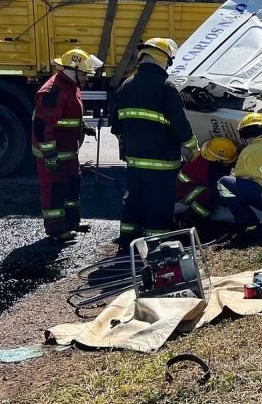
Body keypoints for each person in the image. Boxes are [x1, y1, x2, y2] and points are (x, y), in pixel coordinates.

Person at [110, 38, 200, 249]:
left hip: (134, 162)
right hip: (162, 163)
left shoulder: (126, 86)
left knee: (134, 202)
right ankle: (155, 246)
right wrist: (193, 148)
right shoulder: (166, 88)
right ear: (163, 59)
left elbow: (115, 126)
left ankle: (127, 244)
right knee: (159, 205)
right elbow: (180, 125)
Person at [32, 48, 103, 240]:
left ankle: (72, 223)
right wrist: (49, 155)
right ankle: (56, 230)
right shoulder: (52, 91)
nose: (87, 78)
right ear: (73, 70)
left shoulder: (71, 87)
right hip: (54, 155)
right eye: (85, 74)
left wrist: (83, 126)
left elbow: (68, 115)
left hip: (69, 151)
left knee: (72, 186)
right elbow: (42, 126)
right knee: (54, 190)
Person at [175, 137, 238, 226]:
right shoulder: (209, 170)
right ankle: (188, 221)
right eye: (227, 161)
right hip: (184, 193)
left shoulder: (208, 156)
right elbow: (217, 189)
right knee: (212, 196)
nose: (229, 163)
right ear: (219, 161)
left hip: (184, 187)